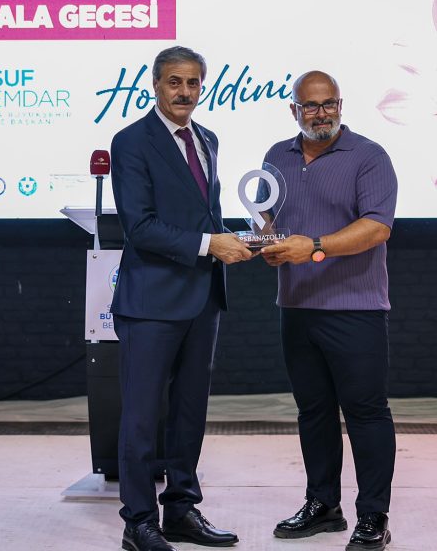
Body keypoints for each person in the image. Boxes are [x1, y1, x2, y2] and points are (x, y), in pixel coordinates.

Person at [109, 45, 253, 551]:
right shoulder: (131, 141)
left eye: (193, 83)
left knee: (189, 413)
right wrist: (210, 245)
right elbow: (140, 226)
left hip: (203, 298)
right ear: (155, 84)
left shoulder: (207, 139)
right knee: (141, 418)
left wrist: (249, 237)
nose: (184, 92)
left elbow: (204, 216)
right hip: (151, 301)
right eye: (175, 82)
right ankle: (138, 521)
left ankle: (180, 510)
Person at [260, 70, 398, 551]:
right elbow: (269, 217)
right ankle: (323, 505)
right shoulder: (276, 156)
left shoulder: (369, 156)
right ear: (294, 110)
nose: (321, 114)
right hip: (296, 307)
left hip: (355, 308)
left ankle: (373, 516)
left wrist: (314, 246)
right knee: (313, 412)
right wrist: (265, 240)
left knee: (366, 413)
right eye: (311, 106)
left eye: (329, 104)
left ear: (340, 105)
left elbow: (377, 227)